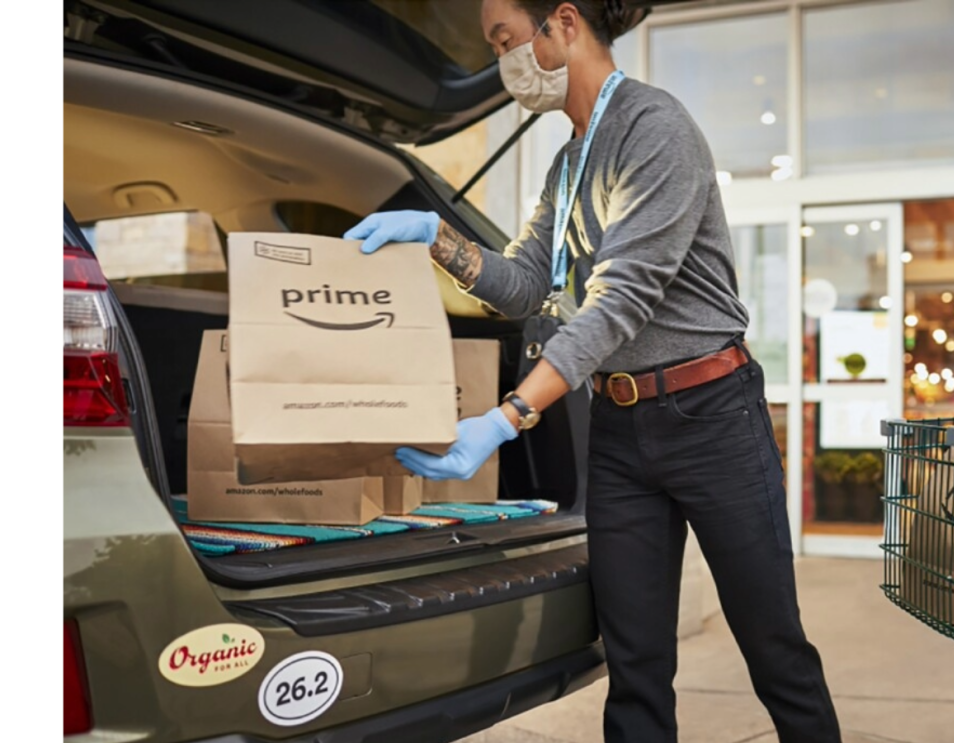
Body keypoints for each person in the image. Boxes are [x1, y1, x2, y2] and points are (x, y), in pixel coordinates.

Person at [344, 2, 842, 741]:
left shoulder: (655, 128)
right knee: (635, 663)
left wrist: (508, 415)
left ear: (564, 24)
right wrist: (434, 237)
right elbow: (522, 283)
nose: (504, 62)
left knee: (775, 648)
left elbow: (619, 302)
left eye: (507, 41)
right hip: (620, 428)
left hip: (711, 415)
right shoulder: (568, 162)